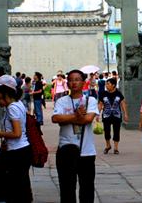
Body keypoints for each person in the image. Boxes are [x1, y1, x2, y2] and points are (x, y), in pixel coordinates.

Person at [52, 69, 99, 203]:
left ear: (83, 82)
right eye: (71, 80)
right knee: (67, 187)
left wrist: (67, 118)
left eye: (77, 80)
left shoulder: (90, 100)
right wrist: (76, 115)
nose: (74, 83)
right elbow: (55, 118)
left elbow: (88, 119)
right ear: (67, 83)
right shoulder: (61, 101)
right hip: (66, 149)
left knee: (87, 187)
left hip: (86, 151)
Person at [0, 75, 32, 203]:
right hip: (18, 150)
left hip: (17, 152)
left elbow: (17, 133)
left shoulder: (12, 108)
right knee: (20, 185)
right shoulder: (17, 104)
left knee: (15, 187)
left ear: (5, 93)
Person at [98, 77, 128, 154]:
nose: (106, 86)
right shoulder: (103, 93)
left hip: (117, 115)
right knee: (107, 131)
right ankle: (108, 145)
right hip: (106, 115)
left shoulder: (118, 93)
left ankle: (116, 148)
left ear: (113, 85)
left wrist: (125, 114)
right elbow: (100, 104)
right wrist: (97, 114)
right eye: (106, 84)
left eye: (108, 84)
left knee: (116, 131)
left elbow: (123, 103)